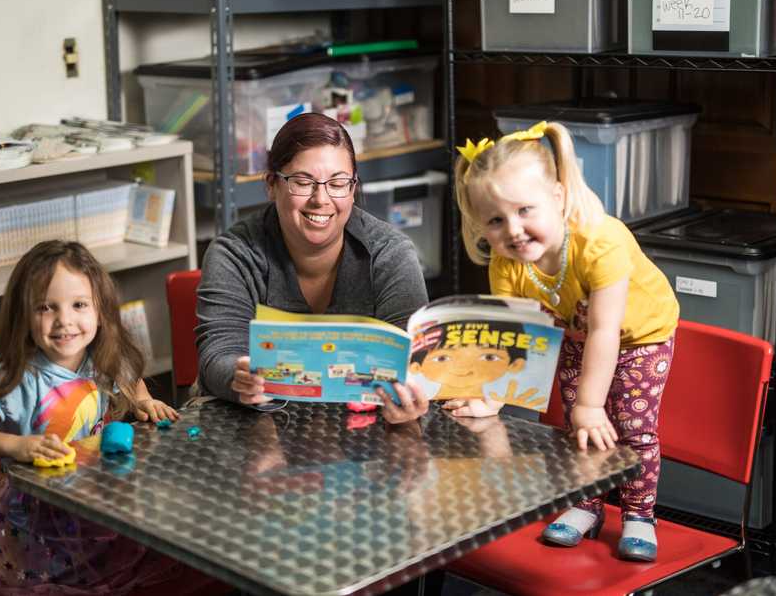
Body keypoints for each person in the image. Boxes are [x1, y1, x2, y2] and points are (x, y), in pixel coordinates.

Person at [451, 121, 679, 562]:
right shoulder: (506, 263)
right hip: (575, 331)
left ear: (557, 196)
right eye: (496, 221)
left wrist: (591, 404)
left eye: (524, 211)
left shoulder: (601, 241)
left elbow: (606, 330)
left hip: (638, 337)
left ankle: (637, 513)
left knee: (632, 428)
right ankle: (587, 504)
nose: (513, 231)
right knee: (574, 426)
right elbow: (516, 338)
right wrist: (493, 396)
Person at [0, 240, 181, 594]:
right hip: (27, 511)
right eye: (46, 307)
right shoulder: (19, 376)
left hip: (84, 492)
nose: (65, 321)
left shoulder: (100, 356)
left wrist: (142, 400)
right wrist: (18, 445)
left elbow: (130, 378)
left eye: (79, 305)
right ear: (24, 315)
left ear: (101, 310)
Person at [195, 112, 430, 424]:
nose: (321, 199)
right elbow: (218, 353)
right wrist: (240, 377)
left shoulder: (390, 253)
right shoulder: (234, 253)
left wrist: (409, 394)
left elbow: (413, 359)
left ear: (353, 186)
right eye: (303, 182)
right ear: (271, 185)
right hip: (254, 423)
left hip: (364, 429)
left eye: (338, 183)